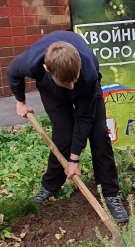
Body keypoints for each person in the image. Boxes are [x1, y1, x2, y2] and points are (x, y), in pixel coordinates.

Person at [7, 31, 128, 223]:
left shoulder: (87, 73)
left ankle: (110, 193)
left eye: (74, 80)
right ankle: (50, 186)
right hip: (51, 90)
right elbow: (13, 73)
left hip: (87, 88)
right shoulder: (31, 62)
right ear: (46, 68)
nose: (71, 87)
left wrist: (74, 159)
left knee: (99, 135)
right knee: (63, 136)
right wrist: (20, 101)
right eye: (66, 83)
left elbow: (84, 118)